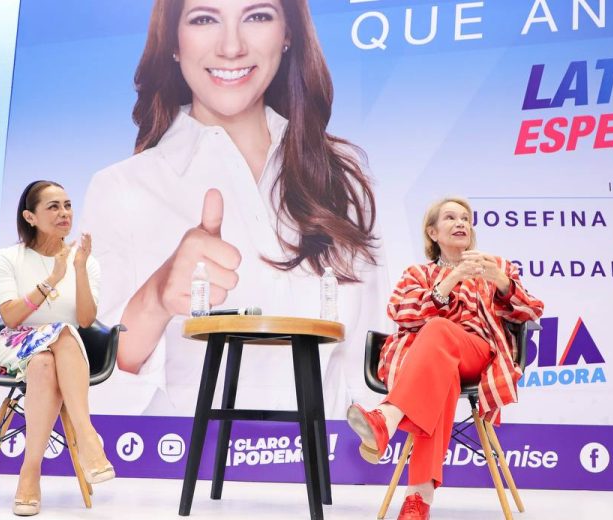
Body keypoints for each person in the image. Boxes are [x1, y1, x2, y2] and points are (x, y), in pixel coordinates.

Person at [81, 0, 388, 416]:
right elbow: (90, 384)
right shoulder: (121, 187)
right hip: (181, 453)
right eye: (204, 19)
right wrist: (155, 298)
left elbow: (373, 371)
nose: (231, 47)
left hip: (324, 454)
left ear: (288, 33)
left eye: (257, 16)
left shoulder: (343, 180)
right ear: (173, 42)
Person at [347, 197, 544, 520]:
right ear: (433, 232)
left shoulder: (496, 268)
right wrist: (451, 279)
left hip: (477, 356)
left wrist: (500, 281)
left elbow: (531, 312)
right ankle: (417, 501)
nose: (461, 223)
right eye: (450, 218)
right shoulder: (417, 274)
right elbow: (402, 313)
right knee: (440, 380)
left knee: (439, 328)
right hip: (432, 367)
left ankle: (388, 416)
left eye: (465, 218)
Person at [0, 180, 114, 516]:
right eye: (53, 207)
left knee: (47, 358)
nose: (64, 213)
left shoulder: (85, 261)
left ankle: (29, 473)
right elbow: (11, 317)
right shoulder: (8, 257)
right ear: (30, 217)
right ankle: (87, 436)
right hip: (14, 345)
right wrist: (52, 280)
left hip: (60, 352)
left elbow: (85, 320)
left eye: (68, 205)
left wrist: (78, 269)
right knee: (60, 334)